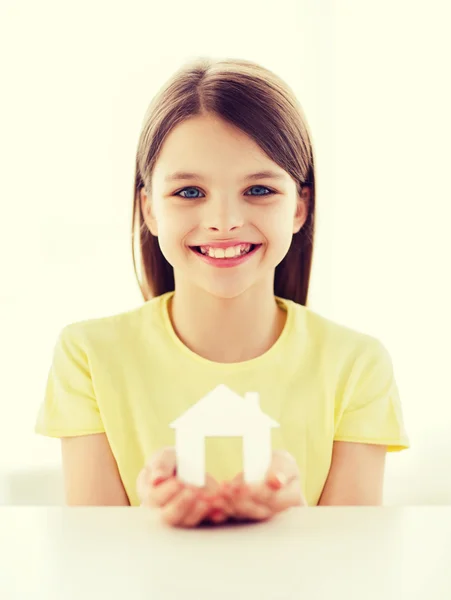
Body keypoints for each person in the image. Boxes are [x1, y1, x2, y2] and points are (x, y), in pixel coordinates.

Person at [35, 56, 410, 527]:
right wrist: (148, 523)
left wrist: (296, 521)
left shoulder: (357, 366)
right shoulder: (88, 357)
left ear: (300, 206)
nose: (224, 221)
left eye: (258, 190)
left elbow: (355, 573)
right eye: (190, 192)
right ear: (149, 209)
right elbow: (91, 565)